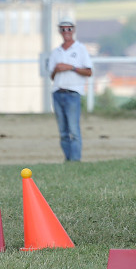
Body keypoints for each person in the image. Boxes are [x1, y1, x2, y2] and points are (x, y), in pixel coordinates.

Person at [47, 17, 93, 161]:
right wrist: (57, 69)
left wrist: (70, 67)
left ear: (73, 30)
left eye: (69, 29)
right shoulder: (56, 52)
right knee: (63, 131)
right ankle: (68, 159)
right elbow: (52, 75)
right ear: (60, 31)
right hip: (58, 93)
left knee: (73, 130)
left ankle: (75, 160)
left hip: (73, 94)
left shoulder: (80, 49)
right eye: (63, 29)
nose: (66, 32)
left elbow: (89, 71)